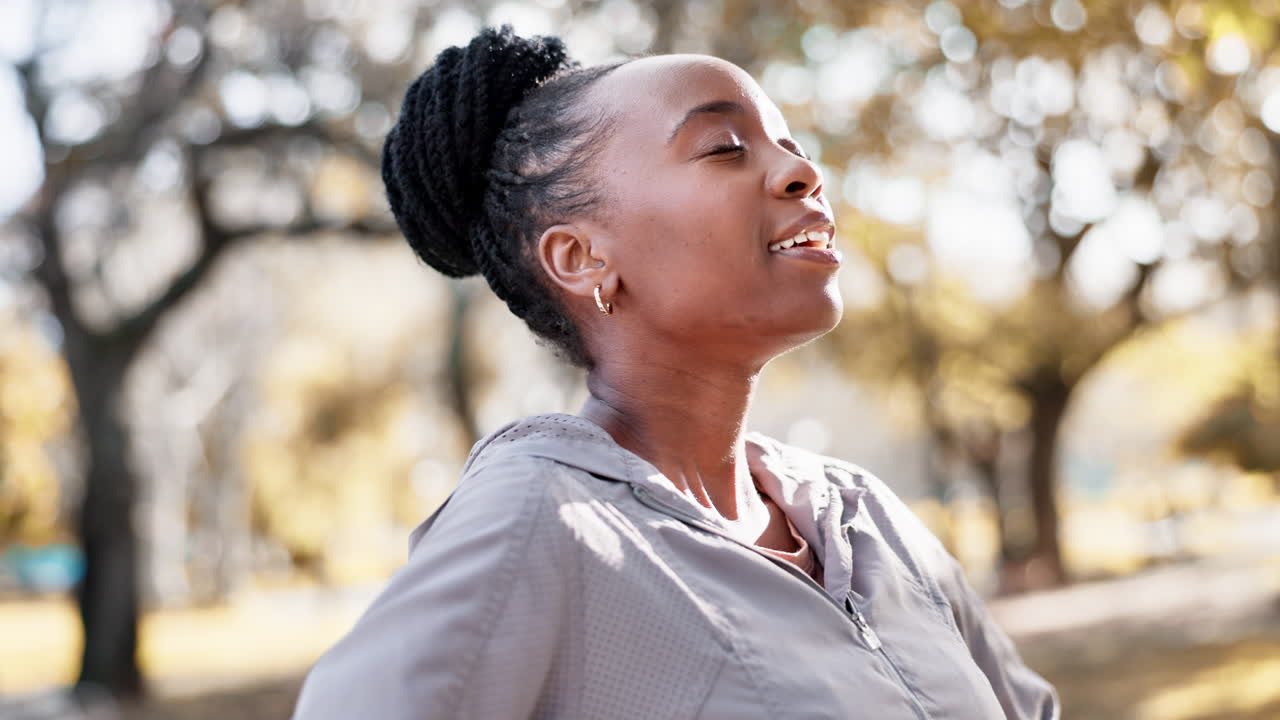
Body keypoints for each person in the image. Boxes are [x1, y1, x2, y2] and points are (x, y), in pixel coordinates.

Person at [292, 25, 1060, 720]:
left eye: (789, 142)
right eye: (726, 147)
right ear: (582, 256)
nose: (801, 172)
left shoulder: (866, 517)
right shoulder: (541, 517)